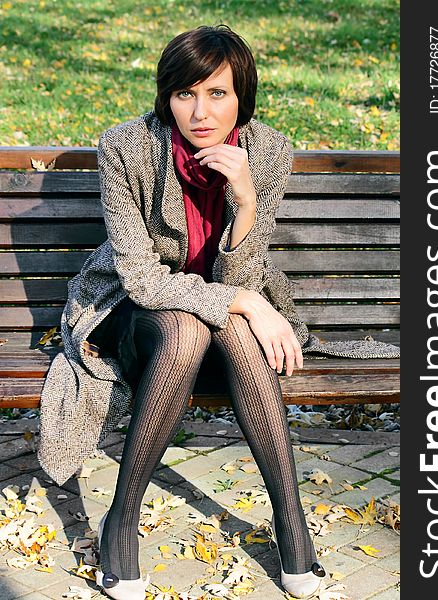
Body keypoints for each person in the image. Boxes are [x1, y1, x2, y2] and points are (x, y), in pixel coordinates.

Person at [38, 23, 342, 600]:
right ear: (167, 97)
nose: (200, 111)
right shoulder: (125, 147)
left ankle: (292, 528)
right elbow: (143, 280)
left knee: (230, 330)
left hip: (220, 331)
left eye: (217, 93)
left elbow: (242, 277)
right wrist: (245, 302)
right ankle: (121, 522)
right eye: (185, 93)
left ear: (241, 96)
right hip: (135, 320)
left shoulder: (269, 151)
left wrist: (247, 202)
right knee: (183, 329)